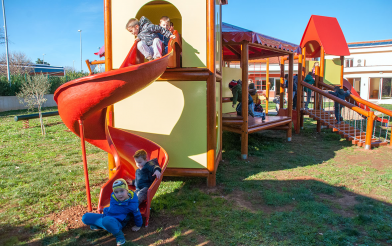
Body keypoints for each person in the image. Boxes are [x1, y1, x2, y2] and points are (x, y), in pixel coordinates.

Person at [82, 179, 143, 246]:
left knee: (107, 221)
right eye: (116, 192)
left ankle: (120, 236)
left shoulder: (132, 203)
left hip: (118, 222)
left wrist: (138, 225)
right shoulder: (114, 197)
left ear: (127, 190)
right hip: (106, 216)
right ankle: (103, 226)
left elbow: (137, 215)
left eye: (122, 191)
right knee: (85, 217)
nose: (119, 194)